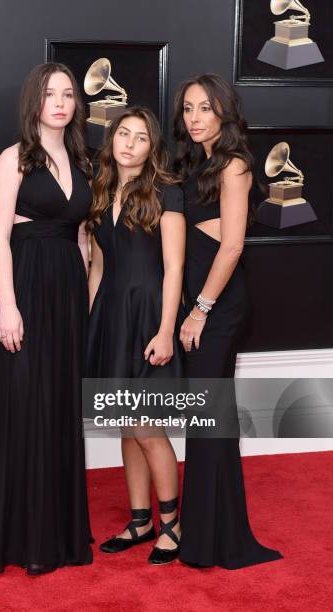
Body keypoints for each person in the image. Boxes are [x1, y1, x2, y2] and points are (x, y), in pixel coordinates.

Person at [0, 63, 93, 575]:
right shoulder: (12, 159)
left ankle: (56, 532)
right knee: (25, 402)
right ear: (33, 102)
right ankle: (20, 537)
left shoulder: (80, 160)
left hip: (66, 294)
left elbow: (81, 237)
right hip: (26, 291)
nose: (60, 103)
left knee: (57, 404)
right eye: (50, 94)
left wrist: (85, 299)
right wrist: (8, 306)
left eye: (68, 94)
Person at [173, 74, 283, 569]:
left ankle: (217, 541)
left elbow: (233, 246)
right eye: (188, 109)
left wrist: (199, 309)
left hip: (216, 305)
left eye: (204, 108)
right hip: (200, 299)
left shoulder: (235, 165)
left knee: (209, 418)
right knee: (208, 419)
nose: (194, 118)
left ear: (224, 111)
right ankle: (210, 534)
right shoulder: (196, 161)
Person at [86, 107, 185, 564]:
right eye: (122, 133)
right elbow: (99, 265)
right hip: (111, 313)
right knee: (127, 425)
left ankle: (172, 525)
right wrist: (90, 320)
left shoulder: (167, 190)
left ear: (152, 147)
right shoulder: (101, 189)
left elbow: (174, 268)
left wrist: (166, 330)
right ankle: (141, 521)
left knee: (147, 425)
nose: (128, 142)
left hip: (148, 312)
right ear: (111, 141)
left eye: (139, 137)